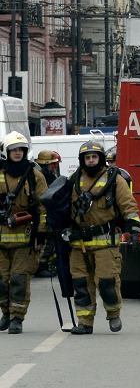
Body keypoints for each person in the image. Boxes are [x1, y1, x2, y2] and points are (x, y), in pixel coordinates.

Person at [63, 140, 140, 335]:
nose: (91, 161)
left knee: (107, 282)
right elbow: (63, 208)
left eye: (94, 157)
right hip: (79, 243)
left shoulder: (115, 179)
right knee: (81, 284)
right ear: (82, 160)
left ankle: (113, 314)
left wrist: (134, 229)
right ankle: (84, 322)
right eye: (87, 157)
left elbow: (128, 206)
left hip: (106, 241)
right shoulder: (73, 180)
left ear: (101, 159)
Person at [0, 132, 48, 334]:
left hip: (25, 239)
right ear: (6, 152)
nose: (17, 153)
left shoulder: (34, 175)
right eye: (13, 150)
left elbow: (44, 207)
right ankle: (6, 312)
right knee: (1, 281)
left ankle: (17, 318)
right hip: (0, 237)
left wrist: (41, 234)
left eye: (20, 150)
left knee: (19, 279)